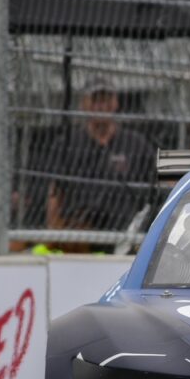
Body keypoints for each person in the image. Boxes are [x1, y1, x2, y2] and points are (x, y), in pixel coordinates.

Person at [43, 78, 156, 252]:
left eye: (106, 99)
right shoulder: (67, 143)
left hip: (125, 231)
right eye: (95, 99)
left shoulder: (135, 143)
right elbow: (55, 191)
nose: (101, 105)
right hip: (81, 235)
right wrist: (54, 232)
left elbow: (158, 184)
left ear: (115, 103)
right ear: (84, 104)